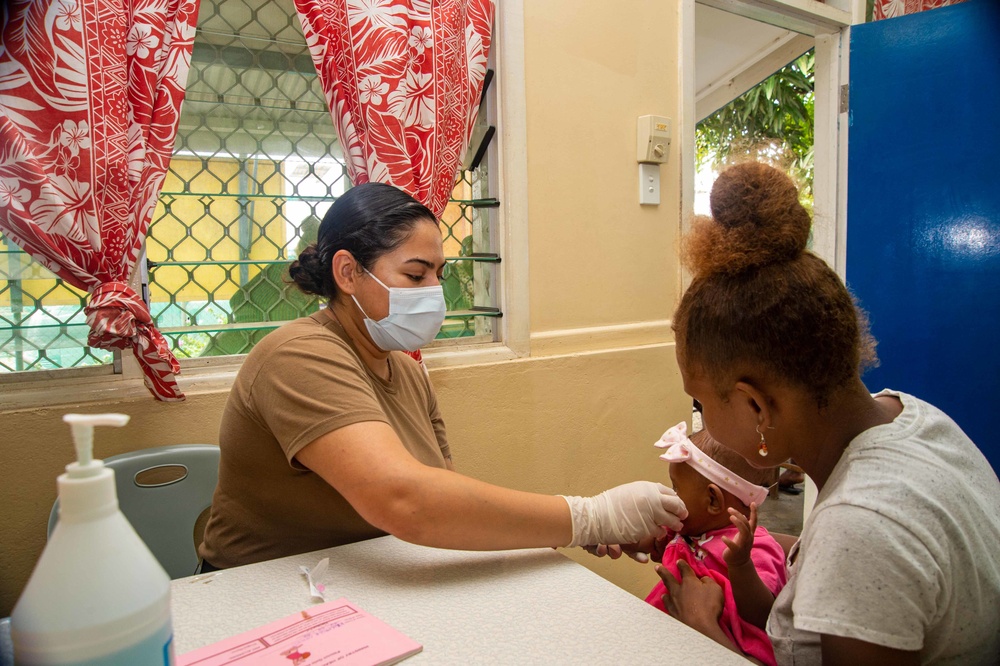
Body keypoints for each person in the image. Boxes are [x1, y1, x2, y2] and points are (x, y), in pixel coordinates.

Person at [198, 182, 687, 570]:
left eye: (439, 273)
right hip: (267, 596)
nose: (435, 291)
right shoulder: (297, 357)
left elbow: (442, 502)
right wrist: (588, 517)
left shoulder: (407, 374)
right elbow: (406, 500)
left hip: (367, 579)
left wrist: (567, 531)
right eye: (415, 275)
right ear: (347, 274)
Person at [661, 162, 1000, 664]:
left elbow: (860, 557)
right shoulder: (914, 417)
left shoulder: (859, 531)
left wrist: (703, 629)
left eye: (701, 403)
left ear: (756, 405)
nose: (701, 421)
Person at [645, 423, 786, 666]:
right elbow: (647, 540)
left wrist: (741, 566)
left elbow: (764, 614)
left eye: (676, 488)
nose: (671, 494)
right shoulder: (690, 526)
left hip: (727, 652)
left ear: (712, 500)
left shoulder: (756, 547)